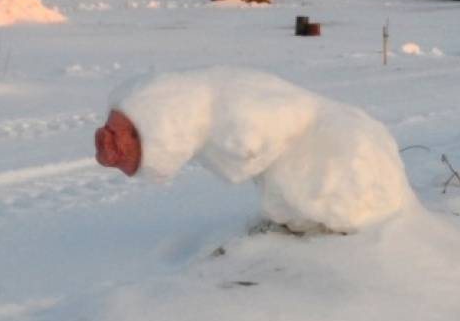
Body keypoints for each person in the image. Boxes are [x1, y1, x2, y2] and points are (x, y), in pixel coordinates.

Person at [94, 67, 415, 233]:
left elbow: (268, 131)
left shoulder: (236, 118)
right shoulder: (210, 103)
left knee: (313, 192)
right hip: (317, 161)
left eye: (134, 134)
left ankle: (319, 225)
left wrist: (249, 146)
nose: (116, 145)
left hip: (340, 162)